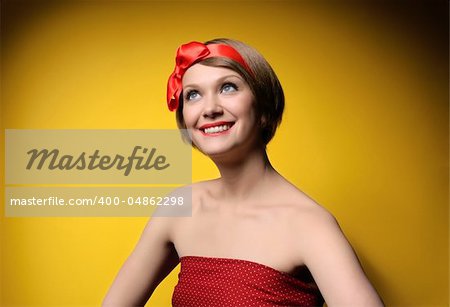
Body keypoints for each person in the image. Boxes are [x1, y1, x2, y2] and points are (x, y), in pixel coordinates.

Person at [103, 38, 384, 306]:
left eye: (228, 87)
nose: (210, 108)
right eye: (193, 94)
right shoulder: (179, 208)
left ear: (263, 108)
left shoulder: (310, 225)